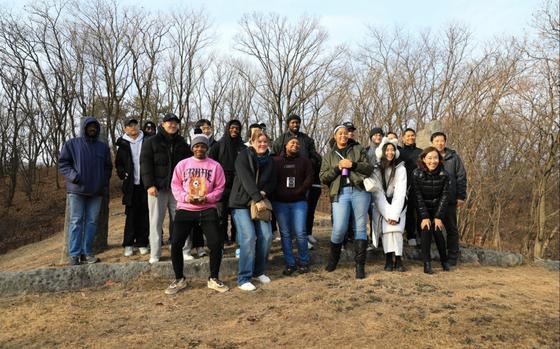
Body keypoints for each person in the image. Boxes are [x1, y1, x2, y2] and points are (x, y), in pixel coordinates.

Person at [165, 133, 228, 295]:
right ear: (192, 148)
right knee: (176, 243)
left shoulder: (215, 166)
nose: (200, 148)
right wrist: (187, 197)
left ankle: (213, 278)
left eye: (203, 146)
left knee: (215, 244)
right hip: (185, 208)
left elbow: (220, 188)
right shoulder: (182, 164)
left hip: (207, 209)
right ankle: (179, 279)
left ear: (207, 147)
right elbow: (175, 186)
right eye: (197, 146)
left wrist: (207, 198)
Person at [320, 124, 373, 279]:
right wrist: (338, 167)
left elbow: (369, 168)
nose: (343, 136)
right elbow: (323, 177)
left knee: (360, 227)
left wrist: (353, 165)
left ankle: (359, 266)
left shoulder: (358, 149)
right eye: (340, 133)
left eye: (345, 133)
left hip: (359, 191)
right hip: (340, 193)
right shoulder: (329, 155)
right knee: (339, 228)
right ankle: (333, 260)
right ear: (335, 136)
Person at [59, 117, 112, 265]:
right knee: (76, 222)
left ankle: (87, 253)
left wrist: (103, 181)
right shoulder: (72, 144)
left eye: (95, 126)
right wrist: (73, 177)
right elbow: (63, 163)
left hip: (96, 192)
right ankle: (74, 255)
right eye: (90, 126)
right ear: (84, 127)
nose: (92, 128)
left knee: (92, 222)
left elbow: (108, 167)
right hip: (77, 190)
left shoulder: (103, 148)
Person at [140, 113, 192, 264]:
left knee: (182, 220)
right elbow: (145, 163)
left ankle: (185, 251)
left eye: (175, 123)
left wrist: (187, 187)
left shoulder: (182, 143)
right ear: (162, 124)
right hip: (157, 188)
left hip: (178, 190)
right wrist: (149, 184)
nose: (172, 125)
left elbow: (188, 166)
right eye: (169, 122)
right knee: (156, 222)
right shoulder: (151, 141)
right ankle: (155, 253)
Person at [229, 130, 277, 291]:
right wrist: (257, 198)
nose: (262, 144)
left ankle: (258, 271)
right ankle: (244, 278)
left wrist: (263, 193)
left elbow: (272, 181)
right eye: (259, 141)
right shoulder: (243, 155)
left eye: (265, 141)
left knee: (267, 235)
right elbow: (246, 179)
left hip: (260, 202)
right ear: (252, 141)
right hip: (241, 203)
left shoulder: (270, 161)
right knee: (248, 237)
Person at [272, 114, 322, 249]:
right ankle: (287, 238)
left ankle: (303, 237)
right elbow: (273, 157)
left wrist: (303, 164)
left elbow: (316, 157)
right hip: (283, 183)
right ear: (288, 123)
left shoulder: (307, 139)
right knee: (285, 213)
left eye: (298, 122)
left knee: (301, 211)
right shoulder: (280, 139)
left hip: (302, 181)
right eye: (293, 122)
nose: (295, 125)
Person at [272, 137, 314, 275]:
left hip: (299, 202)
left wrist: (300, 190)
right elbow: (272, 179)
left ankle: (304, 262)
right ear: (285, 146)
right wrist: (279, 192)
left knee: (301, 232)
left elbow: (309, 178)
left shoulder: (304, 161)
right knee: (285, 234)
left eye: (297, 143)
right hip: (280, 203)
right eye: (292, 143)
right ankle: (290, 263)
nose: (295, 145)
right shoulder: (276, 161)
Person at [367, 137, 408, 272]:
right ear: (382, 152)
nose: (390, 152)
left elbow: (400, 192)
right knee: (386, 231)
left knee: (396, 230)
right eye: (387, 150)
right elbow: (377, 193)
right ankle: (388, 258)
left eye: (392, 150)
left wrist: (394, 214)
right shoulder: (376, 169)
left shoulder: (401, 168)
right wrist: (387, 214)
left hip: (399, 204)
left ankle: (399, 258)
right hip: (382, 206)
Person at [412, 147, 451, 274]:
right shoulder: (417, 174)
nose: (432, 161)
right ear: (424, 159)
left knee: (438, 230)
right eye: (429, 158)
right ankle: (427, 263)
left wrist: (439, 216)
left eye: (435, 158)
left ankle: (444, 260)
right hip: (423, 207)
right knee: (426, 229)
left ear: (439, 160)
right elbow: (417, 196)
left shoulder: (444, 175)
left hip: (438, 208)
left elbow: (445, 196)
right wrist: (424, 216)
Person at [431, 132, 467, 266]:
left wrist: (461, 196)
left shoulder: (453, 157)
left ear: (445, 142)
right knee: (434, 228)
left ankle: (453, 256)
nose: (440, 143)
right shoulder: (430, 157)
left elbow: (461, 176)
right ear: (432, 143)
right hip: (434, 199)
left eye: (442, 141)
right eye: (437, 141)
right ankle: (440, 256)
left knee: (451, 228)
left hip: (450, 199)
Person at [208, 119, 246, 245]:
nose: (234, 130)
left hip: (239, 186)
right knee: (221, 216)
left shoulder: (243, 147)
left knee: (237, 214)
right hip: (221, 185)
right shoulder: (218, 145)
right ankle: (222, 239)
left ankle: (236, 237)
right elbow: (210, 165)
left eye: (237, 128)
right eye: (232, 127)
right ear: (227, 128)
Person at [115, 118, 149, 257]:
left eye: (135, 124)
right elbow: (119, 164)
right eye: (129, 125)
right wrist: (123, 173)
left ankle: (142, 243)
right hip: (130, 186)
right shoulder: (122, 144)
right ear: (125, 129)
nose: (133, 127)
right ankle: (128, 244)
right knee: (131, 215)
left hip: (145, 184)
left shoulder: (146, 140)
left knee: (144, 215)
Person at [400, 128, 422, 247]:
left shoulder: (421, 152)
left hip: (419, 186)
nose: (410, 138)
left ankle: (420, 236)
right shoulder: (399, 152)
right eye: (407, 136)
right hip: (403, 186)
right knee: (407, 212)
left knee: (420, 211)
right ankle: (410, 235)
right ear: (403, 138)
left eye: (412, 135)